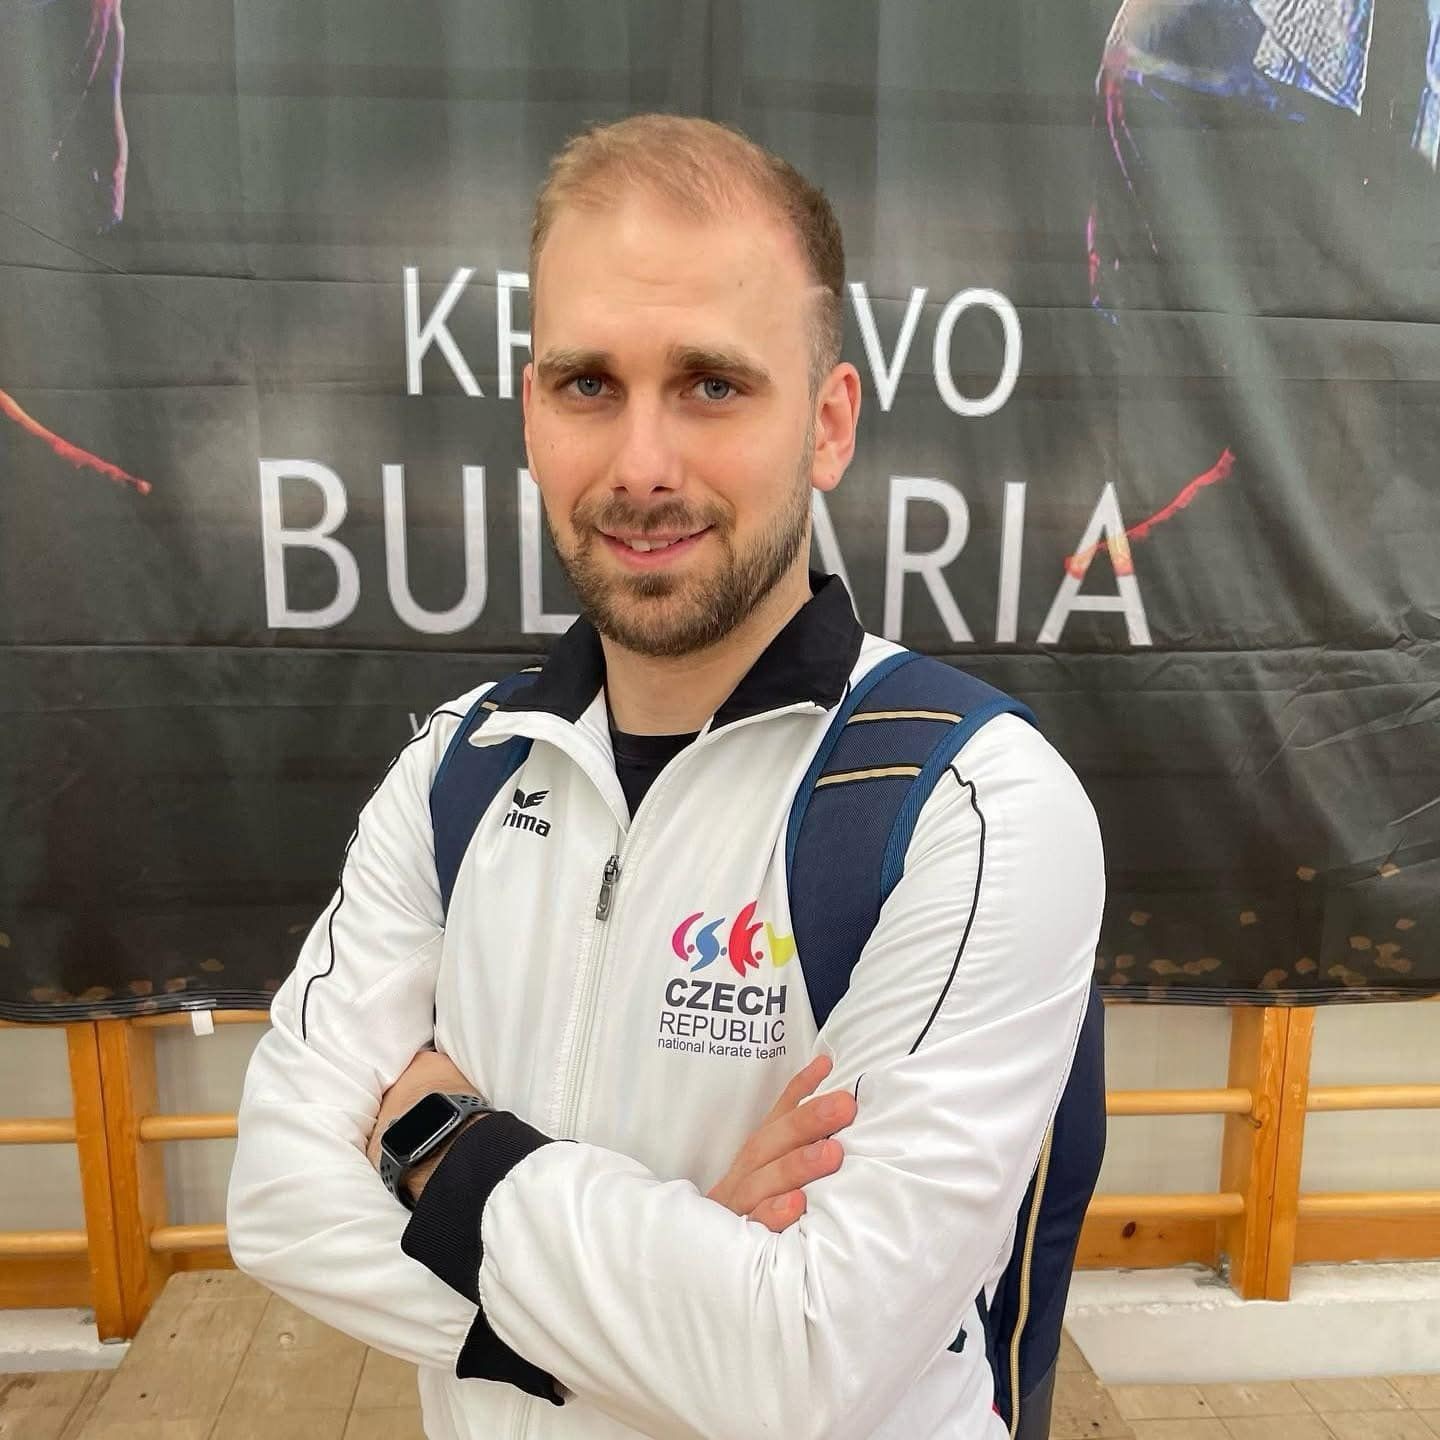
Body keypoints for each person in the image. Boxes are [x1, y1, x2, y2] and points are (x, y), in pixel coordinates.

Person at [227, 113, 1105, 1440]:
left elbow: (806, 1364)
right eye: (590, 384)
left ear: (825, 423)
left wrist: (444, 1150)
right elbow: (281, 1200)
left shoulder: (976, 806)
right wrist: (692, 1283)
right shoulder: (457, 771)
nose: (642, 465)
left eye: (711, 384)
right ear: (531, 408)